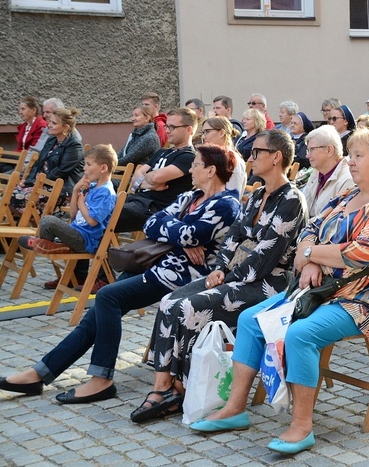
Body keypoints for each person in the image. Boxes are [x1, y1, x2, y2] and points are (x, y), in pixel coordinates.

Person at [188, 127, 369, 457]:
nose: (349, 162)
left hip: (365, 301)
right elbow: (310, 230)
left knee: (301, 334)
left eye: (357, 156)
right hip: (319, 290)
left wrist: (309, 256)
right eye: (349, 155)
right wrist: (309, 260)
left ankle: (302, 425)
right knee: (252, 320)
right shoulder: (347, 197)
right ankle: (235, 409)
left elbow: (356, 255)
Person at [0, 144, 241, 402]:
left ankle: (101, 379)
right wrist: (181, 239)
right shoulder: (190, 197)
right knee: (98, 313)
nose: (190, 169)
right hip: (157, 265)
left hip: (184, 274)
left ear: (211, 170)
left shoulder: (225, 204)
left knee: (108, 297)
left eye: (196, 165)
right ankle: (40, 373)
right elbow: (151, 223)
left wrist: (180, 234)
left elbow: (192, 234)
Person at [132, 130, 308, 423]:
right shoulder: (256, 195)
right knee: (167, 302)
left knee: (190, 307)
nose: (250, 158)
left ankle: (184, 387)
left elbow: (265, 257)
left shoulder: (291, 199)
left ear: (276, 157)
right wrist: (219, 269)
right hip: (233, 276)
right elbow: (233, 238)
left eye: (256, 153)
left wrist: (228, 276)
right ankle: (163, 387)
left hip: (268, 285)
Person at [18, 145, 118, 288]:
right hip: (77, 232)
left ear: (103, 168)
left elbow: (92, 221)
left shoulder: (106, 192)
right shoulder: (93, 186)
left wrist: (82, 203)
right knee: (47, 220)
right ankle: (53, 246)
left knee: (48, 221)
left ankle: (53, 246)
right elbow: (73, 214)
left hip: (86, 240)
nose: (84, 168)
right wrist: (76, 190)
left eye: (89, 165)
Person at [118, 108, 197, 233]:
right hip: (135, 199)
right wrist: (149, 184)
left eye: (173, 127)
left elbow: (155, 178)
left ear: (189, 130)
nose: (167, 131)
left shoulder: (189, 157)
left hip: (152, 209)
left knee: (103, 214)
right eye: (167, 127)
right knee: (94, 204)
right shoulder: (162, 151)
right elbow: (136, 175)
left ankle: (90, 248)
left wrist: (145, 179)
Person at [10, 107, 85, 216]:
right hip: (42, 185)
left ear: (66, 127)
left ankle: (37, 227)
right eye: (49, 122)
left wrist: (37, 182)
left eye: (54, 123)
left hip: (60, 191)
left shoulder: (74, 145)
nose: (49, 125)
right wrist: (28, 182)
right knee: (7, 195)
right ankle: (25, 225)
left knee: (16, 198)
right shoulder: (51, 140)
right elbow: (38, 164)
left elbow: (61, 171)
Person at [301, 125, 354, 218]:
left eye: (312, 149)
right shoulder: (317, 173)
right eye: (307, 150)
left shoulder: (348, 179)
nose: (307, 155)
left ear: (329, 150)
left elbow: (335, 222)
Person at [199, 116, 247, 196]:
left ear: (221, 133)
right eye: (203, 132)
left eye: (207, 131)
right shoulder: (211, 157)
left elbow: (231, 195)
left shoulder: (232, 160)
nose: (203, 137)